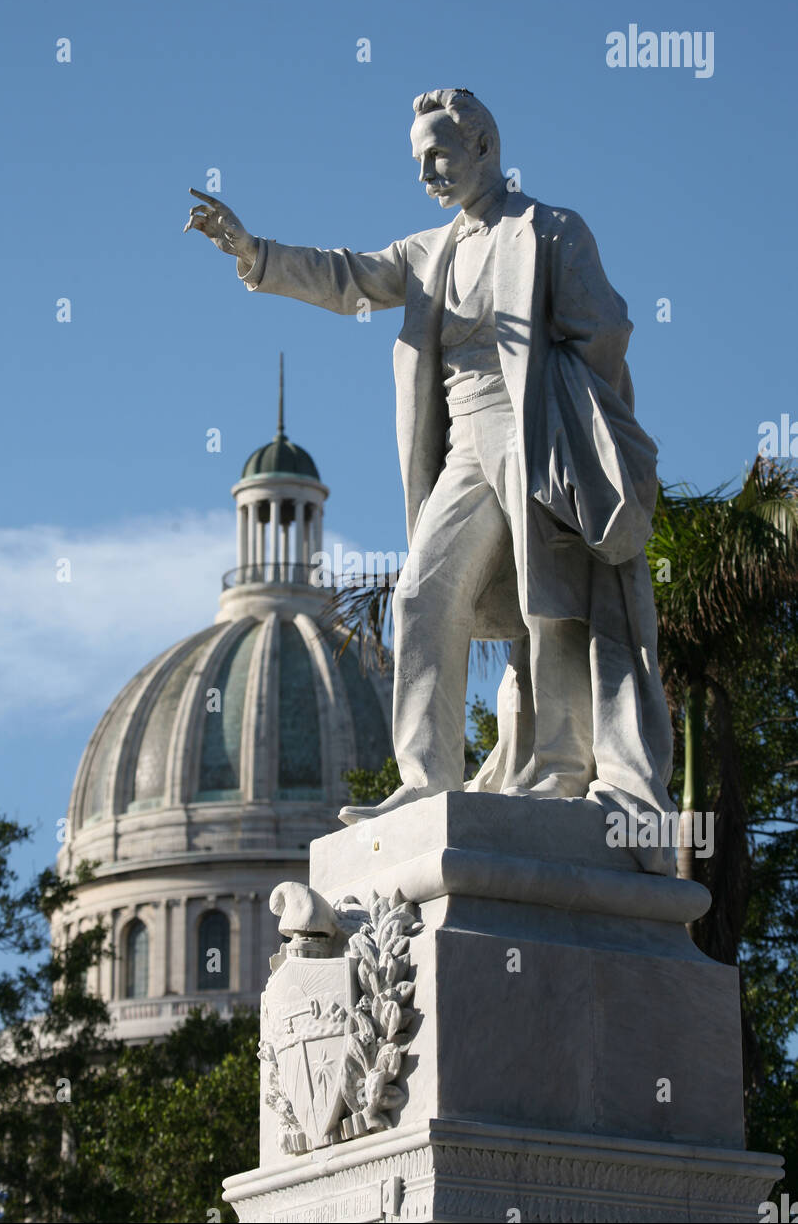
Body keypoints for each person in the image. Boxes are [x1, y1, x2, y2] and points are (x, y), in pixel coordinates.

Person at [185, 88, 675, 874]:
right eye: (417, 161)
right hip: (465, 445)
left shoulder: (550, 230)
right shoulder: (427, 252)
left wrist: (574, 422)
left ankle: (559, 767)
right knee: (421, 592)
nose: (426, 174)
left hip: (535, 431)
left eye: (438, 155)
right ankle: (426, 778)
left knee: (549, 601)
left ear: (485, 146)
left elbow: (605, 330)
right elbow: (348, 276)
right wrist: (255, 251)